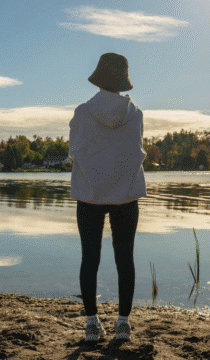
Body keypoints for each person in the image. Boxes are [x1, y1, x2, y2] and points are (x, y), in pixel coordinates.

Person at [68, 52, 147, 342]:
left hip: (89, 195)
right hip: (126, 195)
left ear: (99, 79)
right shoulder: (136, 114)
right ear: (123, 81)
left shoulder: (83, 112)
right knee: (125, 257)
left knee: (90, 258)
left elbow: (75, 151)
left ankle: (91, 324)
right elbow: (134, 153)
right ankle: (123, 324)